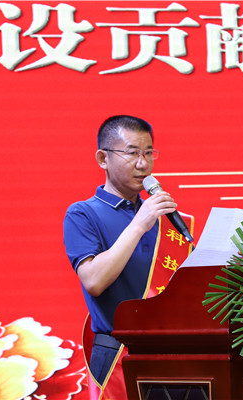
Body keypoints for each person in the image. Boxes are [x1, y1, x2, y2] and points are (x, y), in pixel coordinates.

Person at [63, 115, 180, 387]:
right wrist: (139, 224)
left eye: (149, 153)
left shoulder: (162, 218)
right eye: (132, 153)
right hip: (117, 352)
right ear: (103, 158)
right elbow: (94, 281)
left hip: (171, 350)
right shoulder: (83, 213)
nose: (143, 164)